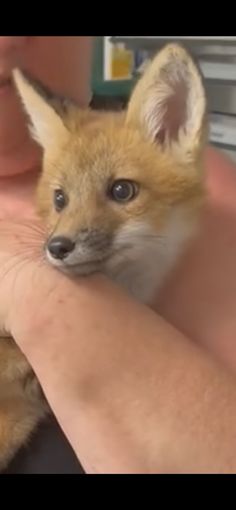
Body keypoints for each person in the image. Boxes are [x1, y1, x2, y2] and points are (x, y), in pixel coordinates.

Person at [1, 36, 236, 474]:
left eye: (120, 191)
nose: (64, 233)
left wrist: (40, 301)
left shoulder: (218, 210)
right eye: (60, 199)